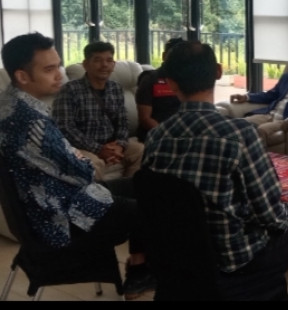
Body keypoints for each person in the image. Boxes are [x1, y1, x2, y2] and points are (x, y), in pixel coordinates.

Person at [142, 40, 288, 301]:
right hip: (236, 258)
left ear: (170, 82)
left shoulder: (155, 137)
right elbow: (270, 214)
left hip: (176, 258)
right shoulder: (239, 135)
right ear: (218, 71)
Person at [0, 32, 155, 300]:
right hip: (64, 217)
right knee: (151, 207)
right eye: (49, 69)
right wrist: (82, 157)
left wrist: (83, 154)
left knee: (145, 184)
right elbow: (83, 173)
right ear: (22, 76)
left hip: (49, 204)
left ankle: (140, 270)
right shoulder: (32, 122)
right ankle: (141, 272)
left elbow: (67, 161)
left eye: (58, 66)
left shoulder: (10, 106)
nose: (59, 74)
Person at [52, 41, 144, 181]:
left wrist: (120, 145)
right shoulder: (70, 90)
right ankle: (100, 195)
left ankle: (128, 189)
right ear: (85, 64)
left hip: (112, 144)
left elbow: (122, 121)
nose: (104, 65)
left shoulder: (116, 88)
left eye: (109, 60)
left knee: (140, 150)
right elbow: (65, 128)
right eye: (97, 60)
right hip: (82, 147)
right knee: (93, 164)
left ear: (113, 64)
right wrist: (99, 149)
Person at [135, 37, 184, 142]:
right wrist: (168, 135)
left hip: (182, 134)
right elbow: (145, 118)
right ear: (164, 56)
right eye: (174, 56)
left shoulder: (187, 80)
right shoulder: (150, 79)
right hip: (155, 135)